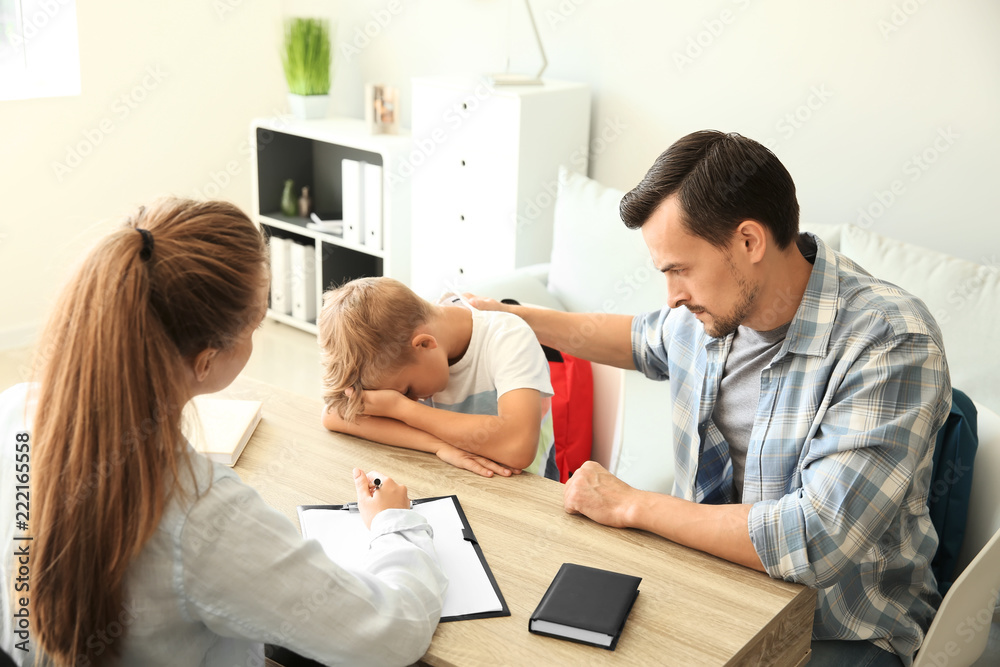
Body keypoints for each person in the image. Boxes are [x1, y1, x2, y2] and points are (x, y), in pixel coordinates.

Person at [470, 131, 950, 666]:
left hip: (841, 628)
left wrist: (632, 504)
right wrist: (514, 320)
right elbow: (638, 339)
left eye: (680, 269)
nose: (672, 295)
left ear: (749, 242)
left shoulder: (889, 340)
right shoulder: (710, 315)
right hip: (707, 585)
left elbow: (816, 539)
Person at [0, 199, 446, 666]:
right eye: (256, 323)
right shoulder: (201, 517)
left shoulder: (17, 409)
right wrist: (395, 526)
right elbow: (390, 635)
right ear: (207, 360)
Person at [319, 277, 558, 480]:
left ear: (424, 344)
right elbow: (334, 414)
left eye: (406, 390)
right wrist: (438, 445)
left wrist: (400, 409)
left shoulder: (509, 338)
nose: (410, 399)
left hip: (524, 493)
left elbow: (518, 447)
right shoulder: (406, 342)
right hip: (454, 478)